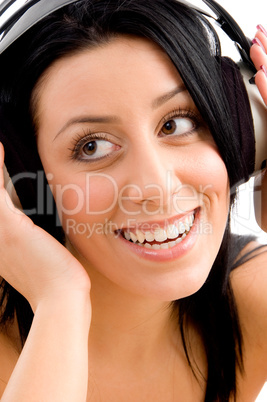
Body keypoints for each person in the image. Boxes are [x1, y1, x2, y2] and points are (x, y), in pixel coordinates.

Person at [0, 0, 266, 400]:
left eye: (177, 122)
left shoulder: (252, 300)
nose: (156, 186)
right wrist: (59, 301)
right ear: (19, 184)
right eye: (92, 146)